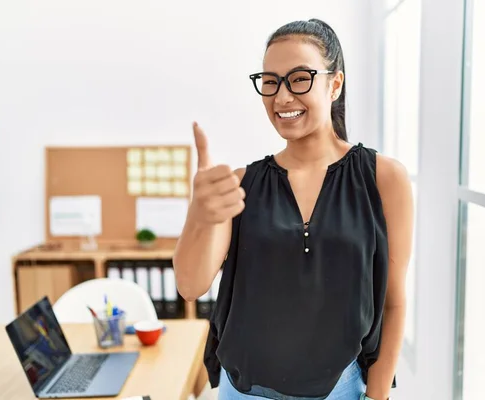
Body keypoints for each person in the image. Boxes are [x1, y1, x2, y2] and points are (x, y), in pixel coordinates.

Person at [173, 18, 413, 400]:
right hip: (243, 392)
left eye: (300, 78)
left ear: (335, 84)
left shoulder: (384, 179)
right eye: (271, 82)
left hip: (341, 390)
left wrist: (378, 395)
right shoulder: (241, 184)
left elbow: (394, 301)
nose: (282, 97)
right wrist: (198, 215)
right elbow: (190, 285)